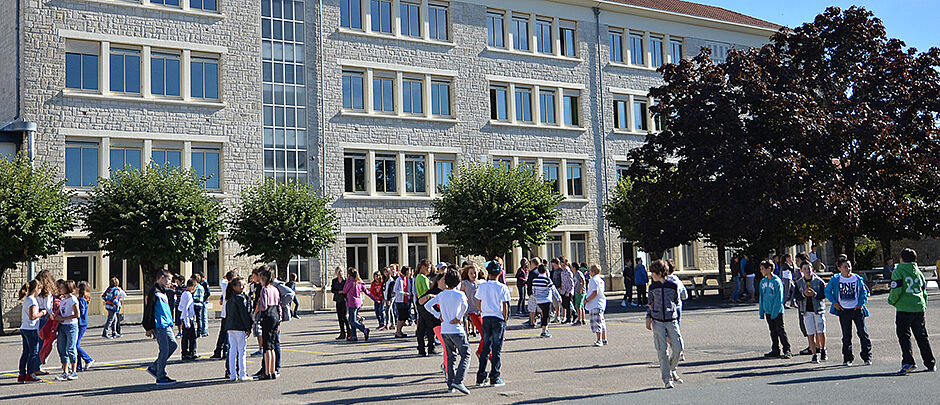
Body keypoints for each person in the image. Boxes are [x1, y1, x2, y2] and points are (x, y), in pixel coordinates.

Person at [424, 269, 471, 395]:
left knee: (451, 357)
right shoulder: (459, 294)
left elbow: (427, 306)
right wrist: (459, 317)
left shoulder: (442, 295)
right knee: (466, 354)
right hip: (456, 329)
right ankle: (459, 380)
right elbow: (465, 306)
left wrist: (438, 314)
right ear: (458, 282)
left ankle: (451, 384)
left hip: (445, 329)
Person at [889, 248, 935, 374]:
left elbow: (896, 290)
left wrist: (892, 301)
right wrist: (924, 304)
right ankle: (930, 362)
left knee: (904, 336)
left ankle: (908, 362)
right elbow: (923, 290)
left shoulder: (898, 271)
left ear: (902, 259)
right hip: (918, 306)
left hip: (904, 307)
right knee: (922, 336)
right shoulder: (918, 272)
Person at [824, 257, 872, 367]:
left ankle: (866, 356)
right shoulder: (836, 279)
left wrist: (860, 303)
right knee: (846, 335)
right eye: (845, 267)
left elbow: (864, 293)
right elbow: (827, 291)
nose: (848, 269)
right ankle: (847, 357)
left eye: (849, 266)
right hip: (843, 310)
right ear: (839, 268)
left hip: (856, 309)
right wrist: (834, 302)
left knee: (862, 333)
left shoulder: (857, 279)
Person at [646, 260, 684, 389]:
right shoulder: (652, 287)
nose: (652, 275)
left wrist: (671, 311)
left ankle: (672, 368)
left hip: (671, 319)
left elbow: (676, 300)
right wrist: (648, 316)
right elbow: (650, 303)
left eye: (653, 273)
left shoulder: (673, 285)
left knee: (678, 347)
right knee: (662, 351)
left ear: (660, 273)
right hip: (657, 321)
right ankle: (667, 379)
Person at [475, 261, 511, 387]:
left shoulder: (482, 286)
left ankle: (481, 376)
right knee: (496, 348)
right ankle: (495, 376)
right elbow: (505, 306)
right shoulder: (502, 287)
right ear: (499, 273)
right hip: (497, 317)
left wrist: (483, 311)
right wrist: (504, 320)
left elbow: (478, 302)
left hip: (486, 317)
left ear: (488, 273)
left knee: (485, 347)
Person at [143, 270, 178, 385]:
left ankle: (154, 367)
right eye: (168, 279)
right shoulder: (154, 291)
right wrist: (148, 327)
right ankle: (161, 376)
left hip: (167, 324)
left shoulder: (163, 291)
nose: (170, 282)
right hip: (159, 325)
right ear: (162, 277)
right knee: (164, 349)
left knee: (173, 345)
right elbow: (149, 310)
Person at [758, 260, 792, 359]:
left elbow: (779, 298)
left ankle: (787, 349)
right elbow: (762, 297)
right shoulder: (763, 281)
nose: (761, 271)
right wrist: (761, 311)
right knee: (772, 331)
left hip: (776, 311)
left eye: (763, 269)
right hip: (767, 310)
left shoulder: (777, 281)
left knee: (780, 330)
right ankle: (775, 349)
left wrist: (775, 311)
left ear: (769, 269)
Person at [795, 262, 828, 363]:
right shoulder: (799, 283)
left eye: (808, 268)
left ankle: (823, 349)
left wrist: (815, 294)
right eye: (804, 269)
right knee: (810, 333)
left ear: (812, 269)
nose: (807, 271)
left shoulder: (818, 281)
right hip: (806, 311)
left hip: (818, 310)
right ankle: (814, 353)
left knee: (821, 331)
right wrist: (804, 295)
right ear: (801, 271)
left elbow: (823, 295)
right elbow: (797, 297)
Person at [224, 277, 254, 382]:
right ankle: (242, 373)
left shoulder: (230, 298)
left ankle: (232, 374)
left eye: (244, 285)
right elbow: (244, 314)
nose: (243, 287)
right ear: (234, 287)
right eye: (240, 285)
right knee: (241, 350)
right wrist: (248, 327)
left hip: (230, 327)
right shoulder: (241, 298)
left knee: (232, 350)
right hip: (239, 327)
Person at [255, 267, 281, 380]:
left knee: (266, 347)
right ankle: (273, 370)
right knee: (272, 345)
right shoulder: (275, 289)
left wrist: (259, 307)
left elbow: (264, 305)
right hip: (275, 315)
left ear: (264, 278)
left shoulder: (264, 290)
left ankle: (267, 371)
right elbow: (279, 305)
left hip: (267, 316)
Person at [18, 280, 46, 383]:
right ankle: (30, 374)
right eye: (39, 289)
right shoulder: (32, 301)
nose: (40, 291)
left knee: (26, 351)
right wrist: (42, 313)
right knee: (33, 351)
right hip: (31, 328)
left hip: (24, 327)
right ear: (36, 289)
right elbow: (32, 316)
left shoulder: (27, 299)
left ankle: (22, 374)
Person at [53, 280, 79, 381]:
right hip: (62, 326)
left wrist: (63, 318)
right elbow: (59, 312)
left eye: (62, 287)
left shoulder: (73, 299)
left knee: (71, 348)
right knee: (61, 348)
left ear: (67, 288)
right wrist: (55, 315)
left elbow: (77, 315)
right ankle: (65, 371)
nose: (60, 289)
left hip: (71, 326)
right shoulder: (63, 300)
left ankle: (74, 371)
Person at [343, 267, 376, 342]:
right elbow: (367, 292)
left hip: (352, 302)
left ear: (349, 275)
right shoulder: (360, 282)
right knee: (352, 318)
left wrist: (347, 281)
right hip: (358, 303)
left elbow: (345, 290)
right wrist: (375, 299)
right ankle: (354, 336)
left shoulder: (350, 282)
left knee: (352, 321)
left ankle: (364, 329)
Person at [212, 270, 238, 361]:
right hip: (230, 313)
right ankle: (225, 352)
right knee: (228, 334)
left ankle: (218, 351)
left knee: (222, 333)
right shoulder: (234, 287)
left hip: (224, 313)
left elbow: (221, 280)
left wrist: (225, 276)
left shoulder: (224, 285)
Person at [35, 269, 59, 366]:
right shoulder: (47, 291)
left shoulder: (36, 290)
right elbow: (47, 305)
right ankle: (39, 364)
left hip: (37, 313)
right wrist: (52, 314)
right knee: (45, 340)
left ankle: (35, 364)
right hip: (45, 314)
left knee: (37, 340)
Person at [416, 274, 444, 356]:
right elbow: (420, 302)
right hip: (426, 312)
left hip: (434, 314)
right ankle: (422, 349)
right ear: (438, 281)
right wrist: (429, 297)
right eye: (443, 280)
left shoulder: (446, 292)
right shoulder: (433, 291)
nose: (445, 282)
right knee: (423, 329)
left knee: (431, 331)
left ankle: (430, 348)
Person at [532, 264, 561, 338]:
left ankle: (545, 329)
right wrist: (558, 298)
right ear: (545, 271)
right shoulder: (547, 280)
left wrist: (535, 297)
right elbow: (553, 289)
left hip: (538, 300)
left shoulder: (535, 280)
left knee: (544, 314)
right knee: (546, 315)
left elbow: (533, 290)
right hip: (546, 299)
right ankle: (544, 331)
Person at [459, 265, 483, 348]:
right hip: (471, 311)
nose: (473, 275)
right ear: (468, 274)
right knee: (483, 332)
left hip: (482, 311)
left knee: (486, 334)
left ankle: (482, 351)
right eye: (471, 273)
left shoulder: (482, 283)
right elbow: (461, 295)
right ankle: (482, 352)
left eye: (475, 273)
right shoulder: (465, 283)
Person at [74, 282, 95, 371]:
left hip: (81, 323)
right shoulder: (80, 299)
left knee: (76, 344)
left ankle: (88, 359)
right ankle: (78, 366)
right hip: (80, 323)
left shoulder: (82, 300)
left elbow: (81, 312)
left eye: (77, 288)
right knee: (75, 345)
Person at [585, 265, 607, 347]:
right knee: (601, 321)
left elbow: (595, 292)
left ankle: (599, 339)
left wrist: (587, 300)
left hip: (595, 304)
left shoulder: (593, 280)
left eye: (590, 271)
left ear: (593, 272)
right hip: (601, 303)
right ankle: (604, 338)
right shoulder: (600, 280)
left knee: (596, 322)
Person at [178, 279, 198, 361]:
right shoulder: (188, 295)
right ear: (192, 286)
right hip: (188, 318)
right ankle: (189, 352)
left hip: (186, 318)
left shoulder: (185, 293)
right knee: (191, 336)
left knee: (187, 336)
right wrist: (187, 322)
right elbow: (186, 308)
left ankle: (187, 352)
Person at [393, 267, 414, 338]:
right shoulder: (399, 279)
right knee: (401, 317)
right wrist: (403, 293)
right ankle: (398, 331)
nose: (409, 273)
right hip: (400, 300)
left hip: (406, 300)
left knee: (405, 317)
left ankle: (400, 331)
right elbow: (395, 289)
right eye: (408, 272)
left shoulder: (407, 279)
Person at [330, 267, 349, 340]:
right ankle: (342, 332)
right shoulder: (334, 281)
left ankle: (349, 330)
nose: (340, 273)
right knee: (339, 317)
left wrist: (343, 292)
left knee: (344, 316)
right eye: (339, 272)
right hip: (338, 299)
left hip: (344, 299)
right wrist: (338, 292)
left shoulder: (346, 280)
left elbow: (347, 289)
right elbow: (332, 290)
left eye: (341, 271)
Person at [524, 258, 541, 328]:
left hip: (533, 292)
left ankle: (532, 321)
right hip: (539, 292)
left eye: (530, 263)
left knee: (532, 308)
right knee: (540, 307)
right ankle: (542, 320)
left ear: (533, 264)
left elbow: (529, 282)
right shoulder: (539, 271)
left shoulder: (533, 272)